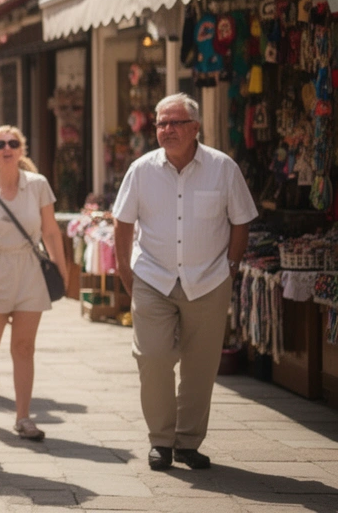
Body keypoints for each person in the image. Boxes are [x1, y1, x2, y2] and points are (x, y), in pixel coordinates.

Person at [113, 93, 256, 471]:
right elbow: (122, 223)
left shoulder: (222, 168)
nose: (167, 130)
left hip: (209, 279)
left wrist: (231, 267)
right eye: (161, 123)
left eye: (176, 122)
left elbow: (241, 219)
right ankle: (161, 440)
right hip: (153, 278)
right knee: (153, 359)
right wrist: (128, 275)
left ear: (195, 128)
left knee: (200, 365)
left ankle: (188, 442)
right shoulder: (141, 170)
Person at [0, 126, 70, 441]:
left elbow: (50, 231)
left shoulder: (38, 185)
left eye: (13, 143)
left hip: (29, 270)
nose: (6, 148)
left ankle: (23, 417)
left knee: (24, 347)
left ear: (21, 150)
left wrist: (62, 271)